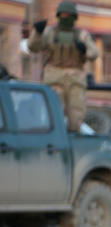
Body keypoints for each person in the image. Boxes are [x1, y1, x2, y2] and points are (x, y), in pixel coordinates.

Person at [26, 1, 98, 132]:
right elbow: (33, 47)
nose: (66, 18)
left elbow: (94, 53)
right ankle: (54, 139)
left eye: (69, 15)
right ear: (59, 16)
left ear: (74, 17)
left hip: (75, 80)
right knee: (53, 113)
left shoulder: (82, 35)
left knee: (76, 114)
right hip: (54, 79)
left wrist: (84, 51)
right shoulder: (49, 33)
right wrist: (37, 32)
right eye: (63, 15)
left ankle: (75, 140)